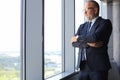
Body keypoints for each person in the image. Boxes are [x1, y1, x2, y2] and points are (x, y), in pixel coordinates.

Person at [71, 1, 112, 80]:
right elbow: (73, 43)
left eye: (87, 9)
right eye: (84, 10)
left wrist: (78, 38)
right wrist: (90, 44)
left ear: (95, 10)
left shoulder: (105, 23)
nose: (85, 12)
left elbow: (94, 38)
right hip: (83, 67)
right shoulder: (82, 26)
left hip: (98, 67)